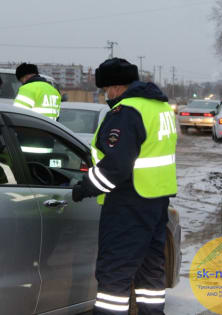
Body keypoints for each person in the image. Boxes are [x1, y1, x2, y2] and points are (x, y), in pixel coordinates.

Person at [72, 58, 177, 315]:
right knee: (150, 275)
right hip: (156, 201)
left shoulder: (126, 112)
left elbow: (116, 167)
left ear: (116, 87)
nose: (106, 95)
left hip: (128, 204)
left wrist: (85, 187)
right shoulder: (160, 108)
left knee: (114, 276)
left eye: (106, 90)